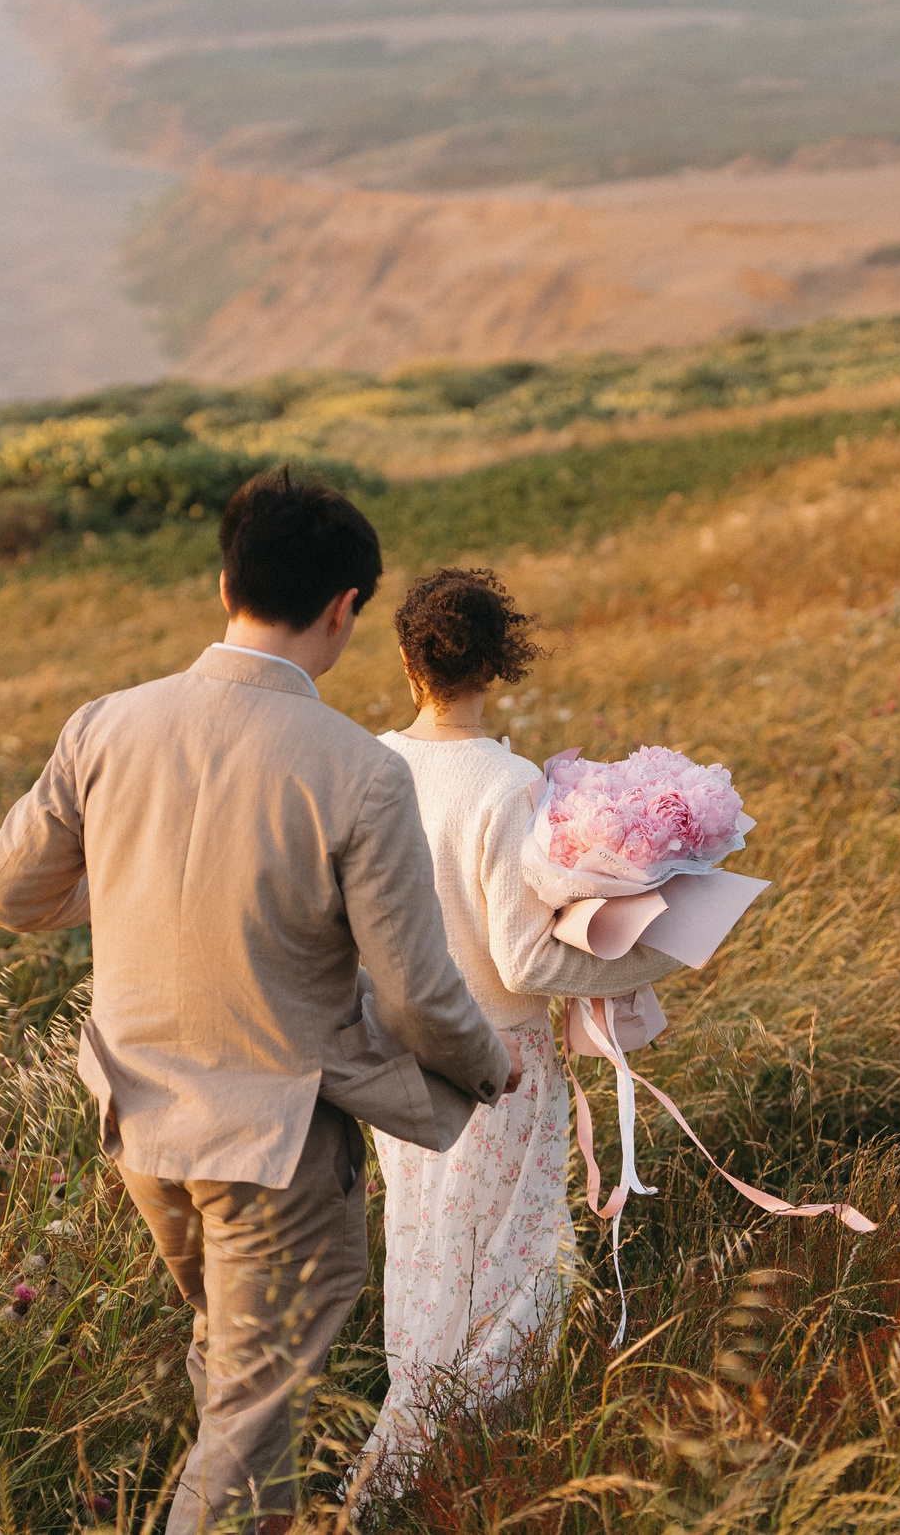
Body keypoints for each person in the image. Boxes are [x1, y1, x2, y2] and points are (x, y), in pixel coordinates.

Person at [0, 470, 519, 1535]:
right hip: (274, 1149)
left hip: (138, 1125)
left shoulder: (106, 725)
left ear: (225, 579)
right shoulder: (358, 771)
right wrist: (488, 1067)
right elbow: (413, 996)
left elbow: (1, 891)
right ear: (344, 609)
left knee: (233, 1379)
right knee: (250, 1432)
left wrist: (131, 888)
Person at [352, 566, 676, 1503]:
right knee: (518, 1261)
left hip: (390, 1055)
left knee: (423, 1245)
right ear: (500, 660)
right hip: (495, 1057)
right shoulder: (508, 784)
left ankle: (404, 1460)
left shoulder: (371, 764)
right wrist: (646, 961)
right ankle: (455, 1467)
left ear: (408, 656)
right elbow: (527, 960)